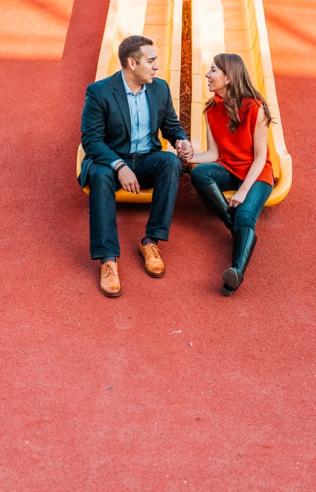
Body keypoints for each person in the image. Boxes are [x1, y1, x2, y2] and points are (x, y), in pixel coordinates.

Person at [79, 35, 194, 298]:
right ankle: (108, 259)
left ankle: (151, 242)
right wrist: (119, 165)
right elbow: (91, 141)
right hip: (111, 160)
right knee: (98, 173)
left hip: (145, 160)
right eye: (151, 61)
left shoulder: (160, 89)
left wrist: (181, 141)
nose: (156, 67)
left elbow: (171, 126)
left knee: (169, 161)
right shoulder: (99, 92)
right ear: (132, 63)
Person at [188, 53, 273, 296]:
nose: (207, 75)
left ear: (228, 77)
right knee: (200, 174)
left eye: (213, 70)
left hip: (256, 173)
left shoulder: (256, 109)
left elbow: (259, 158)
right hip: (228, 167)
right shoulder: (211, 109)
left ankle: (236, 272)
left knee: (246, 214)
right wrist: (186, 157)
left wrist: (243, 191)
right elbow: (213, 154)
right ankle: (234, 226)